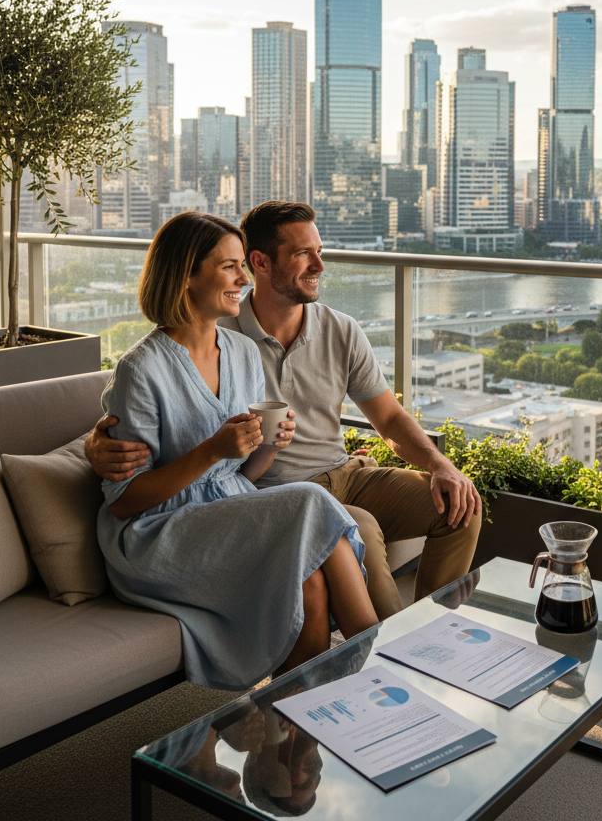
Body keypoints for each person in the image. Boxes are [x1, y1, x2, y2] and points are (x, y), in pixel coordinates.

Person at [87, 201, 481, 619]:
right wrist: (95, 442)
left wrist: (441, 465)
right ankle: (392, 659)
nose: (319, 265)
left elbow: (388, 419)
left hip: (346, 472)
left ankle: (431, 634)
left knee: (461, 507)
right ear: (261, 262)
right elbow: (159, 390)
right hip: (272, 491)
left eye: (320, 251)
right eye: (303, 254)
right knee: (357, 526)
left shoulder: (338, 329)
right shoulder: (217, 326)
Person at [95, 211, 378, 690]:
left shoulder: (243, 352)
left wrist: (266, 443)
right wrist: (210, 451)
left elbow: (243, 474)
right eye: (230, 267)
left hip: (224, 507)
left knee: (308, 579)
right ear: (186, 274)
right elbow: (124, 502)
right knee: (311, 502)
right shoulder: (140, 370)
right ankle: (378, 667)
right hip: (156, 533)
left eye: (242, 267)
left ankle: (294, 740)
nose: (244, 279)